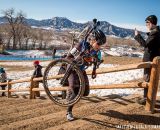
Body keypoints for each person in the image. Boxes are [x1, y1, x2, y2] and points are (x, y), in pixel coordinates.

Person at [65, 29, 106, 121]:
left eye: (101, 45)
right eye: (99, 44)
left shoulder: (96, 51)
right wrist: (80, 58)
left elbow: (95, 61)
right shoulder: (81, 45)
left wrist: (94, 69)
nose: (99, 47)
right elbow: (69, 57)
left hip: (81, 70)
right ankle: (69, 112)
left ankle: (70, 93)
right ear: (93, 40)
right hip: (72, 69)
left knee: (86, 92)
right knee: (76, 91)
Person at [134, 15, 160, 105]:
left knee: (147, 79)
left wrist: (137, 36)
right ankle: (149, 98)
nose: (146, 25)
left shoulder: (155, 32)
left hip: (150, 61)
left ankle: (146, 99)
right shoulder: (156, 32)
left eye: (147, 23)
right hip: (153, 60)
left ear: (151, 22)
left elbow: (145, 45)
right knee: (150, 79)